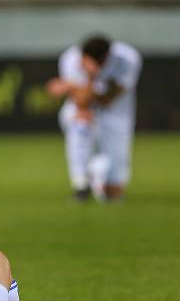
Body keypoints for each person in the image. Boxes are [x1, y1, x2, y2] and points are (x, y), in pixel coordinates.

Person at [46, 35, 142, 202]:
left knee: (113, 194)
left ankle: (99, 175)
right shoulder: (70, 58)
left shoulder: (127, 59)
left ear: (106, 57)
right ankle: (81, 184)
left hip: (116, 114)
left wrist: (70, 85)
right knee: (80, 123)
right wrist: (88, 81)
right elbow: (82, 103)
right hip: (80, 111)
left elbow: (108, 99)